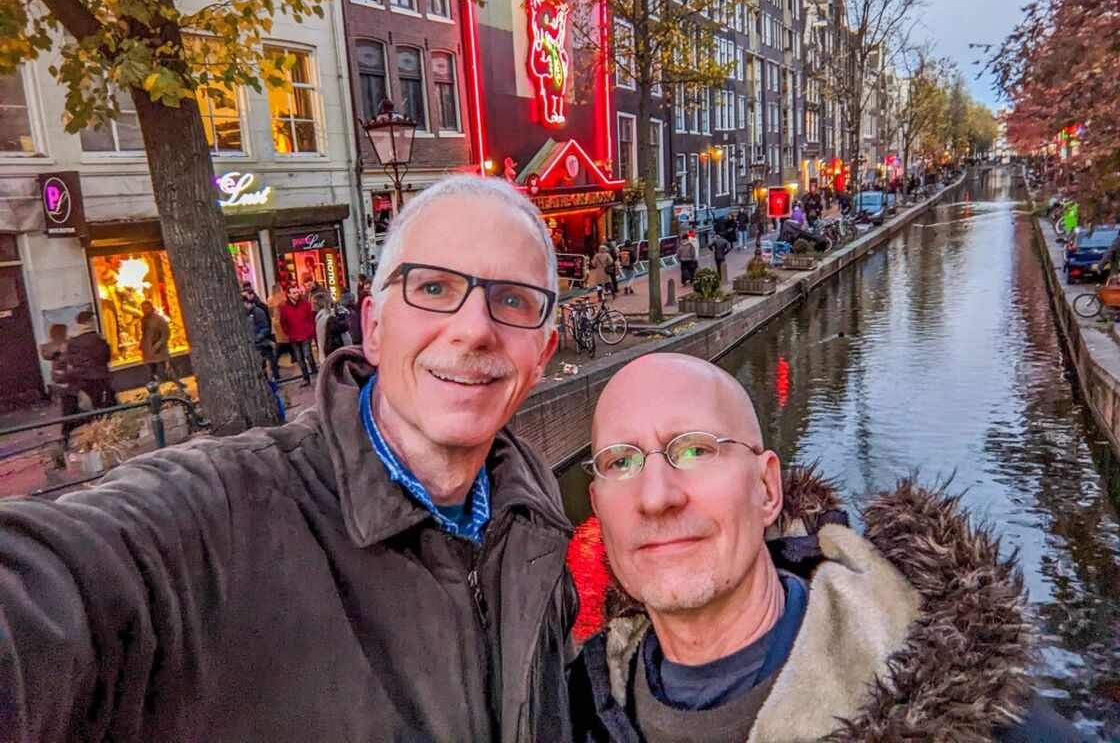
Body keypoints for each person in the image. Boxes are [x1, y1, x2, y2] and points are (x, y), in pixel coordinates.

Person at [0, 174, 576, 742]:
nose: (474, 329)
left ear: (543, 353)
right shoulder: (219, 521)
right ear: (373, 327)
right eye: (432, 289)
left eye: (513, 300)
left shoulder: (531, 507)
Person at [569, 353, 1084, 743]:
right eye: (622, 462)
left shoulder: (971, 704)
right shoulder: (573, 703)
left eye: (696, 449)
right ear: (599, 506)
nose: (656, 496)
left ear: (767, 490)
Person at [65, 310, 117, 411]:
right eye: (93, 320)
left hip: (80, 377)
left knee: (90, 402)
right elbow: (105, 356)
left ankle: (93, 417)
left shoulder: (72, 340)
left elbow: (70, 359)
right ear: (89, 321)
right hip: (97, 376)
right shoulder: (95, 338)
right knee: (102, 402)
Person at [139, 301, 185, 391]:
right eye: (143, 309)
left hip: (159, 349)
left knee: (166, 369)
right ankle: (154, 390)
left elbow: (166, 333)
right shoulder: (143, 320)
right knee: (151, 371)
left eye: (147, 308)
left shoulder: (159, 319)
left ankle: (178, 384)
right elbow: (144, 334)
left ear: (151, 308)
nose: (145, 310)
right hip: (148, 350)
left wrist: (159, 344)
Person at [279, 283, 317, 387]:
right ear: (289, 295)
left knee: (308, 354)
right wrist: (288, 332)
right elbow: (283, 322)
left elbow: (310, 319)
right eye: (294, 293)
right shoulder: (284, 308)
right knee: (300, 358)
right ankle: (306, 378)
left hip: (305, 334)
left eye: (297, 292)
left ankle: (315, 372)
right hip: (294, 336)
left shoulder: (305, 305)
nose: (296, 294)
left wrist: (310, 331)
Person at [245, 294, 280, 381]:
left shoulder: (258, 312)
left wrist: (257, 338)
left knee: (269, 361)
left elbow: (265, 327)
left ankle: (275, 377)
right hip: (256, 342)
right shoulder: (247, 314)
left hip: (261, 342)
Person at [266, 283, 295, 366]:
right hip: (283, 321)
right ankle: (293, 359)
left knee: (281, 342)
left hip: (275, 322)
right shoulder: (283, 299)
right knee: (286, 343)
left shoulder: (270, 300)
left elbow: (271, 312)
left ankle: (276, 361)